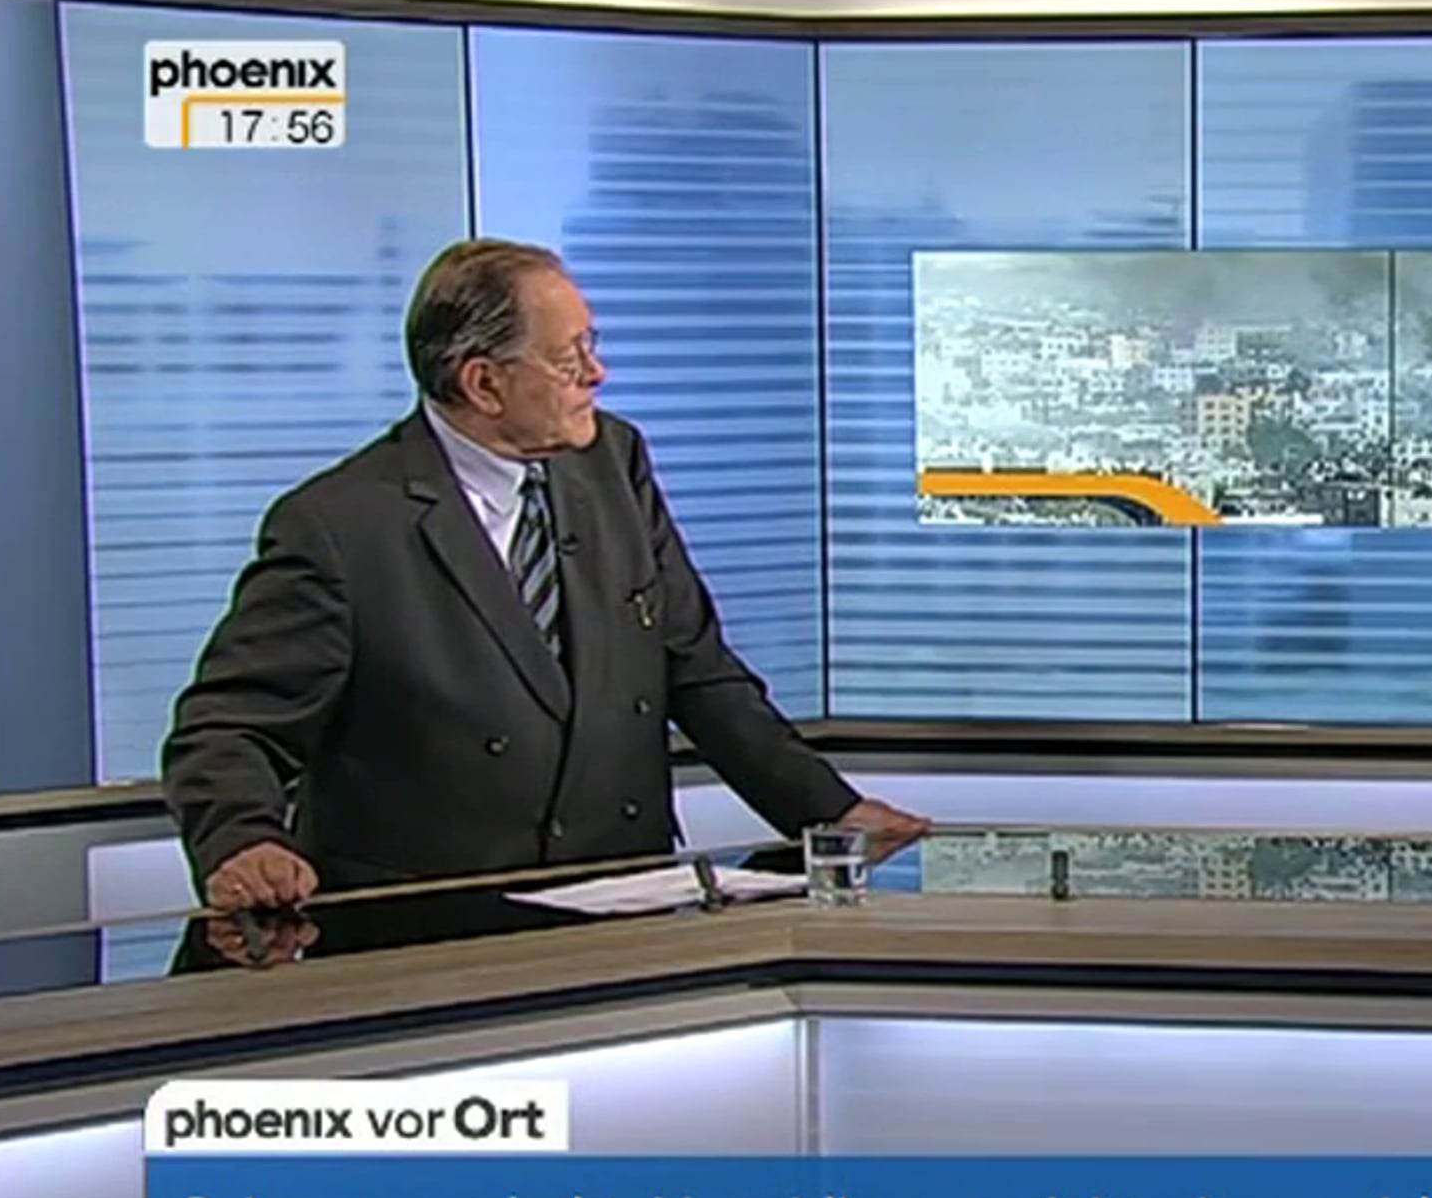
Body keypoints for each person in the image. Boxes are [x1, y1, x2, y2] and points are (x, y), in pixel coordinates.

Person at [163, 238, 928, 909]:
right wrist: (243, 841)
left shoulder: (612, 462)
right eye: (570, 359)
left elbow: (697, 671)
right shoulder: (340, 527)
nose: (598, 372)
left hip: (622, 901)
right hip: (436, 930)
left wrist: (827, 813)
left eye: (592, 345)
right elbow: (229, 725)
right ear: (484, 384)